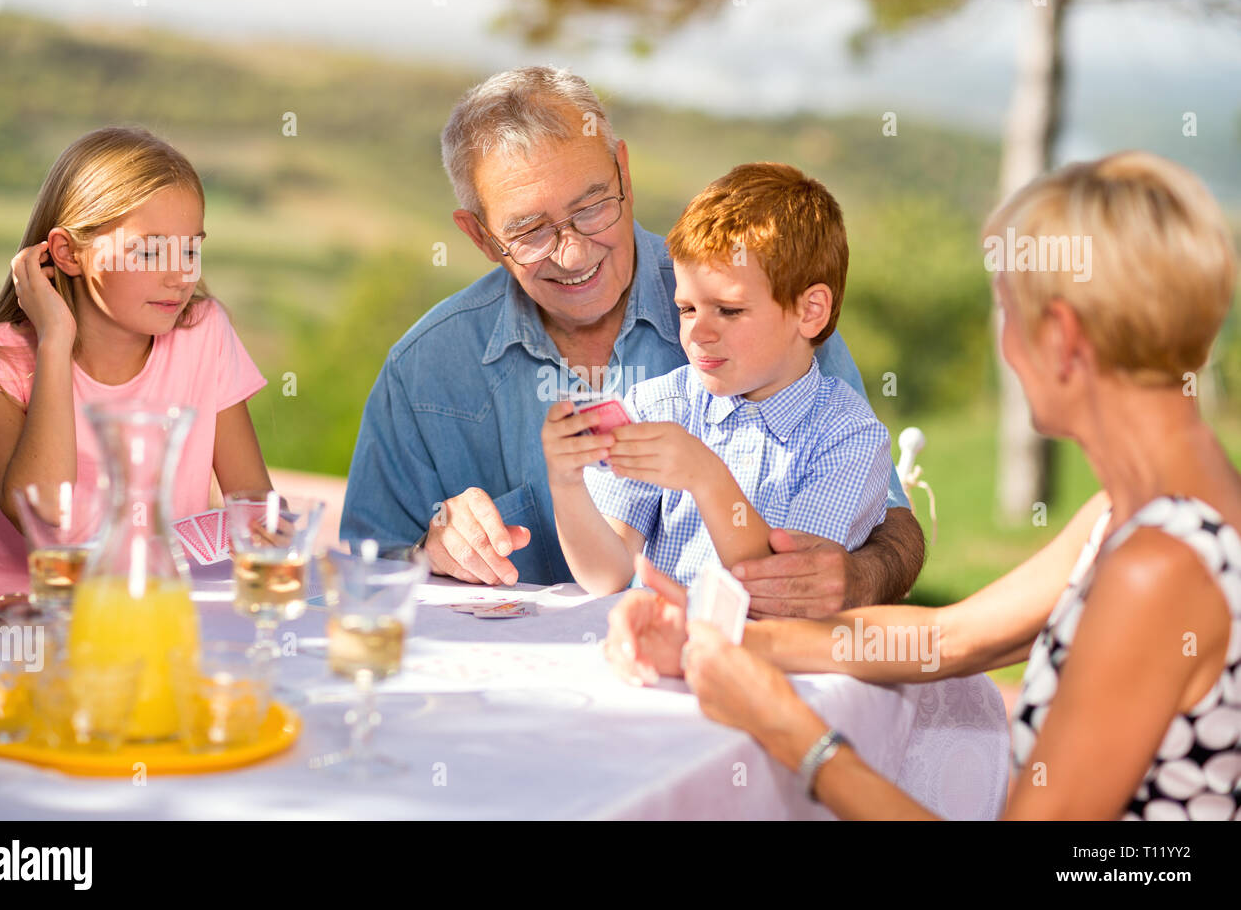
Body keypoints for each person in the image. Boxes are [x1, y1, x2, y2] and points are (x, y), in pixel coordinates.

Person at [604, 151, 1241, 820]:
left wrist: (795, 733)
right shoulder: (1135, 514)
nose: (1006, 352)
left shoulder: (1159, 567)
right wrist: (720, 637)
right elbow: (950, 640)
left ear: (1061, 337)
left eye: (1007, 315)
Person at [341, 66, 924, 611]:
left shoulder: (764, 298)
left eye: (592, 206)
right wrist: (428, 550)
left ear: (624, 171)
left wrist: (859, 576)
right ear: (480, 236)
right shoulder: (425, 369)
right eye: (530, 230)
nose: (572, 253)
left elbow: (891, 521)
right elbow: (359, 576)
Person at [0, 126, 273, 611]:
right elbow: (48, 513)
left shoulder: (204, 333)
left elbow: (256, 513)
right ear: (67, 253)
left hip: (147, 615)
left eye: (190, 249)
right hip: (14, 629)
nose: (180, 275)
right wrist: (55, 343)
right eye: (149, 250)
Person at [543, 163, 890, 596]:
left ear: (810, 311)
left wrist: (707, 478)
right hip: (661, 649)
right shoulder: (659, 406)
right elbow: (605, 575)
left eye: (728, 310)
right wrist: (566, 481)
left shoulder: (848, 437)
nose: (698, 333)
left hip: (777, 659)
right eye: (687, 309)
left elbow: (786, 591)